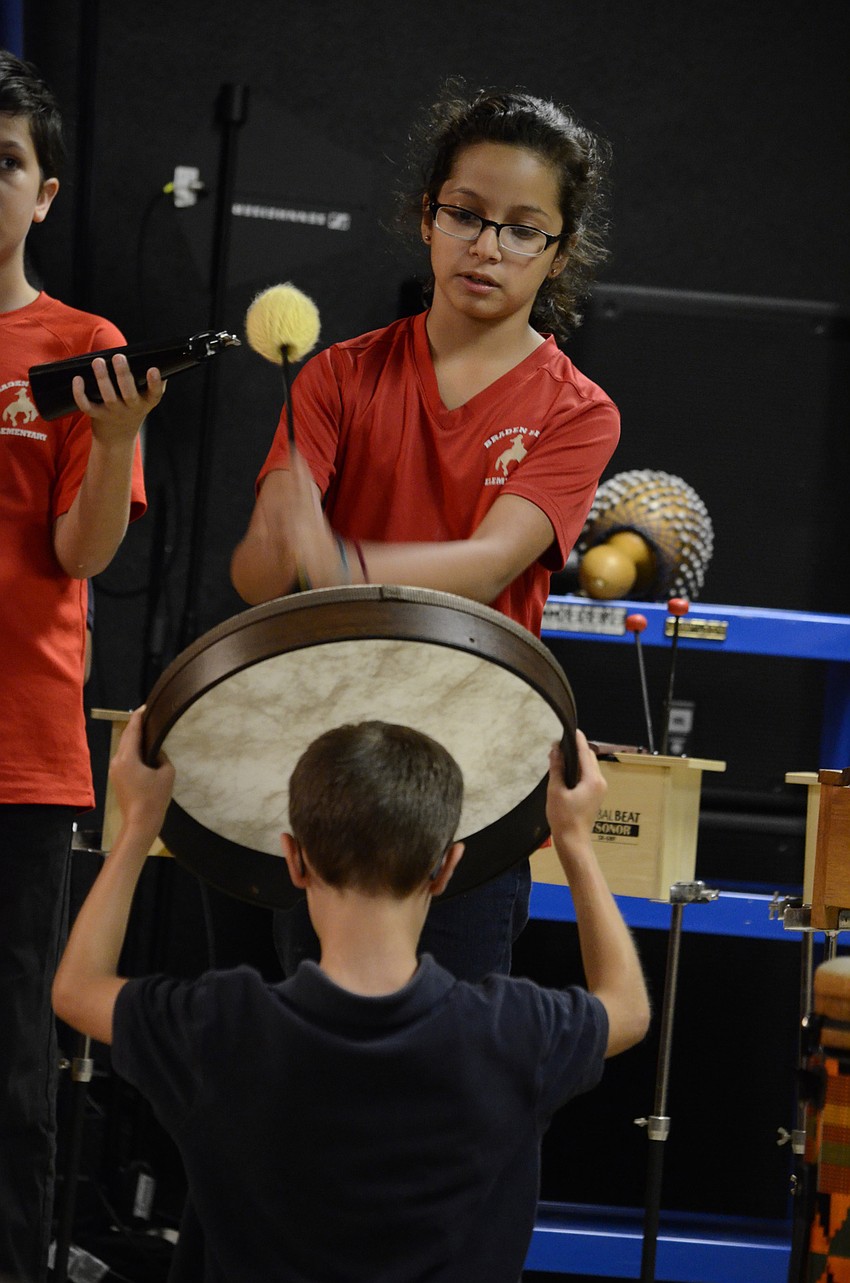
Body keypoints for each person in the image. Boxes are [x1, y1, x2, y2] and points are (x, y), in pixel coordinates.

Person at [230, 82, 620, 983]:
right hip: (328, 764)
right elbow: (260, 584)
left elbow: (488, 566)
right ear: (426, 218)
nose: (488, 246)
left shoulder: (579, 412)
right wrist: (282, 534)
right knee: (312, 1062)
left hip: (476, 774)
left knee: (449, 1083)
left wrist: (340, 562)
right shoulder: (336, 376)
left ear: (558, 256)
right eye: (466, 215)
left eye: (525, 228)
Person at [52, 710, 649, 1283]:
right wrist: (575, 840)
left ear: (293, 858)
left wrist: (137, 830)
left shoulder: (222, 1025)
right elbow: (627, 1007)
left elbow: (77, 990)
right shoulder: (513, 1032)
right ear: (446, 870)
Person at [0, 49, 164, 1283]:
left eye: (5, 163)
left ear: (45, 193)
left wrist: (112, 441)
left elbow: (81, 549)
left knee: (8, 1063)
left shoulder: (82, 343)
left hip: (19, 752)